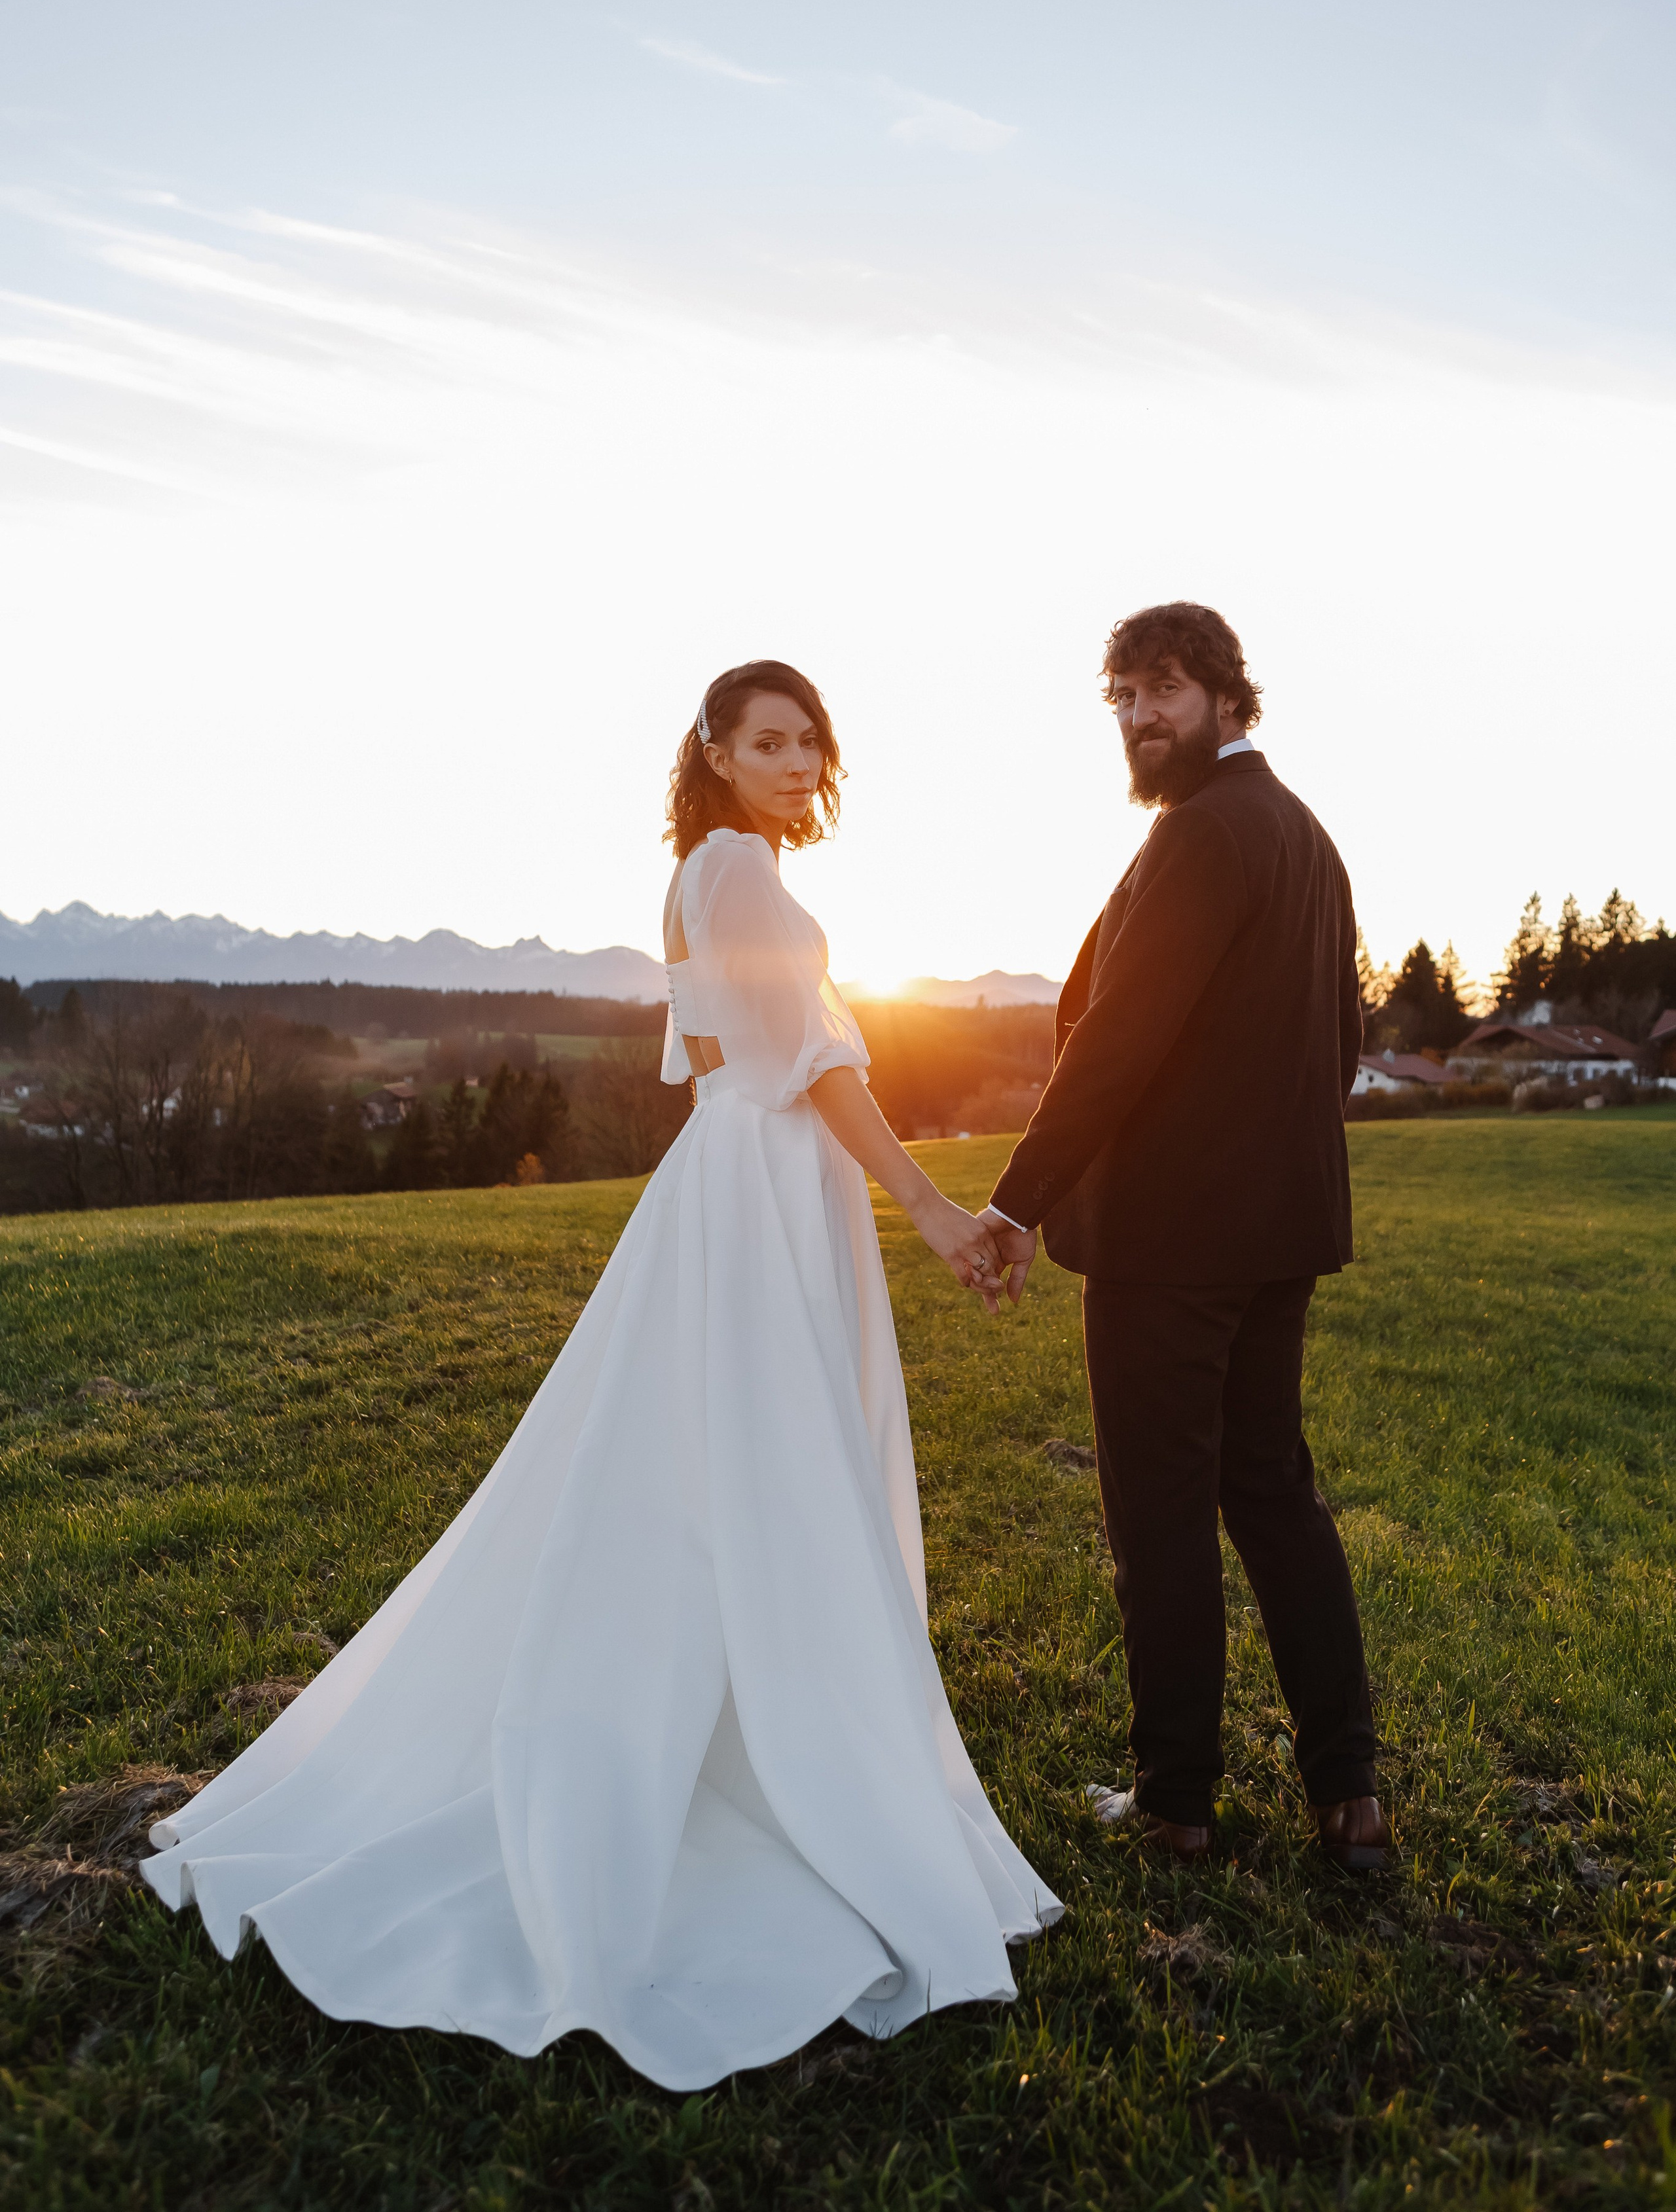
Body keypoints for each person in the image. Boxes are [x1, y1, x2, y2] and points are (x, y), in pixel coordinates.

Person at [142, 658, 1060, 2089]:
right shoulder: (740, 868)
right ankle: (774, 1736)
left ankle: (737, 1704)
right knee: (765, 1459)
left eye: (809, 739)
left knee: (708, 1460)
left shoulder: (699, 870)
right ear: (714, 748)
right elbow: (811, 1065)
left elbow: (709, 1052)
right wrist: (931, 1209)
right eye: (768, 738)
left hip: (728, 1185)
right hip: (763, 1189)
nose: (797, 758)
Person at [977, 604, 1387, 1873]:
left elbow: (1116, 1041)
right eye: (1121, 697)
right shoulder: (1302, 835)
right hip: (1274, 1234)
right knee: (1272, 1499)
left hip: (1169, 1240)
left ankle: (1175, 1811)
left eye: (1162, 689)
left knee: (1156, 1517)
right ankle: (1348, 1803)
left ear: (1224, 695)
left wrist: (1014, 1201)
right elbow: (1343, 1041)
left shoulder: (1205, 833)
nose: (1140, 717)